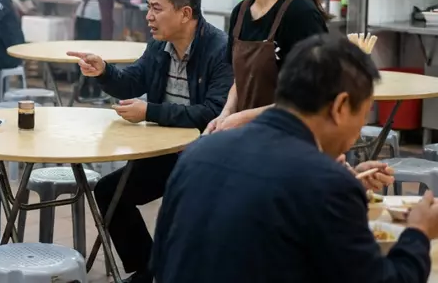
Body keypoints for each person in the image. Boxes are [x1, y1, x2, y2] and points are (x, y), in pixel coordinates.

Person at [150, 34, 430, 283]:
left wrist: (342, 182)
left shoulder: (197, 153)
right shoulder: (325, 183)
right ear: (341, 106)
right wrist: (419, 231)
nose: (359, 130)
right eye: (364, 115)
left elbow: (161, 260)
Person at [68, 0, 232, 283]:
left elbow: (212, 112)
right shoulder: (160, 46)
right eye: (148, 7)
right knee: (109, 192)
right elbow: (132, 80)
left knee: (178, 211)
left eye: (157, 8)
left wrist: (150, 111)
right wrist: (104, 72)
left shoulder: (219, 49)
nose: (148, 16)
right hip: (164, 153)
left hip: (205, 158)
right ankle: (146, 270)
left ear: (185, 13)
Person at [204, 0, 329, 135]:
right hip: (248, 139)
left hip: (289, 141)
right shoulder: (241, 13)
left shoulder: (300, 13)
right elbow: (241, 82)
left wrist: (244, 117)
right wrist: (226, 113)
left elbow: (314, 95)